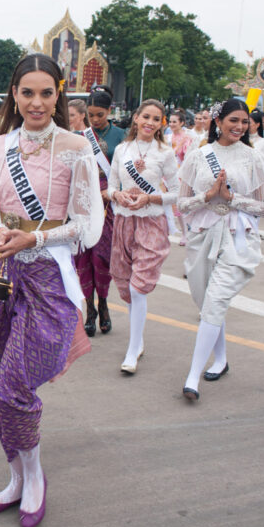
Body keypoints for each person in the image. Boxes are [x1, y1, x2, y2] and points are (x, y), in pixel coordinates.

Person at [0, 54, 103, 527]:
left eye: (46, 93)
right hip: (0, 270)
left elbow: (87, 226)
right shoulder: (0, 146)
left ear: (58, 94)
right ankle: (16, 477)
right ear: (14, 95)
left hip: (47, 277)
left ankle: (36, 477)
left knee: (14, 386)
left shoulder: (76, 148)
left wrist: (35, 239)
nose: (36, 103)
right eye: (27, 93)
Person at [177, 100, 264, 401]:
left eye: (244, 122)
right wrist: (208, 196)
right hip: (202, 236)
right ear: (218, 121)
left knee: (216, 300)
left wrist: (232, 199)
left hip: (237, 238)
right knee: (207, 303)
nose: (240, 127)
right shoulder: (198, 155)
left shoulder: (253, 157)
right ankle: (221, 359)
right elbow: (182, 204)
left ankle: (192, 377)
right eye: (233, 120)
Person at [106, 100, 179, 374]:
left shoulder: (165, 153)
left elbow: (176, 192)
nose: (150, 122)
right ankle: (137, 341)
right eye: (145, 116)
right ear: (136, 118)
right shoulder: (122, 150)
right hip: (124, 221)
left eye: (156, 119)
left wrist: (149, 198)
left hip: (152, 222)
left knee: (138, 287)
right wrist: (118, 195)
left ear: (161, 124)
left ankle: (132, 348)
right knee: (127, 286)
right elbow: (111, 186)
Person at [76, 84, 122, 336]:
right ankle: (90, 310)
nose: (94, 120)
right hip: (84, 200)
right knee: (84, 257)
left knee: (102, 257)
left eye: (100, 115)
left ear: (109, 111)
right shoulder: (80, 137)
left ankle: (103, 303)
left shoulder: (122, 136)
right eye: (90, 115)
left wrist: (113, 191)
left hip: (109, 203)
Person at [166, 110, 193, 244]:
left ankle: (185, 233)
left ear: (181, 123)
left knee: (180, 205)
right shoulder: (166, 137)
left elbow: (188, 157)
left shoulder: (187, 138)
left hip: (181, 174)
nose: (171, 124)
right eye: (170, 121)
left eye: (174, 122)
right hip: (166, 175)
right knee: (167, 205)